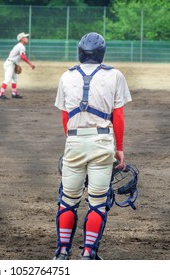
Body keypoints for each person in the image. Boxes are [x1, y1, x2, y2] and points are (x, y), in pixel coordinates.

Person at [53, 32, 132, 260]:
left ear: (80, 52)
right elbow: (118, 116)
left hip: (75, 140)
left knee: (68, 198)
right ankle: (88, 253)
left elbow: (65, 117)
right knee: (97, 201)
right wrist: (120, 148)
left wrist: (73, 141)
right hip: (102, 142)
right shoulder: (115, 75)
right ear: (101, 53)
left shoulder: (66, 76)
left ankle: (62, 252)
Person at [0, 32, 35, 100]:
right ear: (22, 39)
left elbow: (10, 53)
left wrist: (15, 64)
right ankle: (1, 94)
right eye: (25, 37)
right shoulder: (21, 46)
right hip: (10, 64)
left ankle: (14, 94)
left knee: (14, 78)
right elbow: (23, 56)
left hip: (11, 63)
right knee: (7, 79)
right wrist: (30, 64)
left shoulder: (18, 45)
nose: (27, 38)